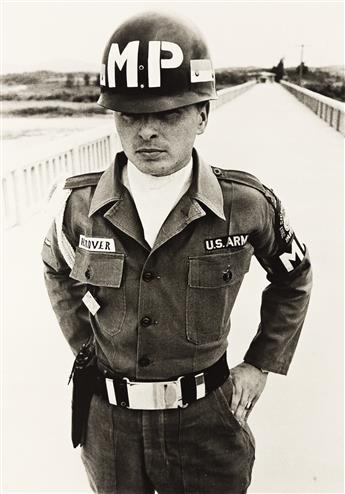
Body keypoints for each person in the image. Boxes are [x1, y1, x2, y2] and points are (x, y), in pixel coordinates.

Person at [41, 11, 312, 494]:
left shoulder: (245, 204)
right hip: (109, 429)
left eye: (167, 114)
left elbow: (294, 275)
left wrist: (261, 361)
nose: (147, 131)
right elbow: (56, 269)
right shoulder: (76, 207)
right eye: (130, 115)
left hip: (206, 424)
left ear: (202, 115)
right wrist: (88, 346)